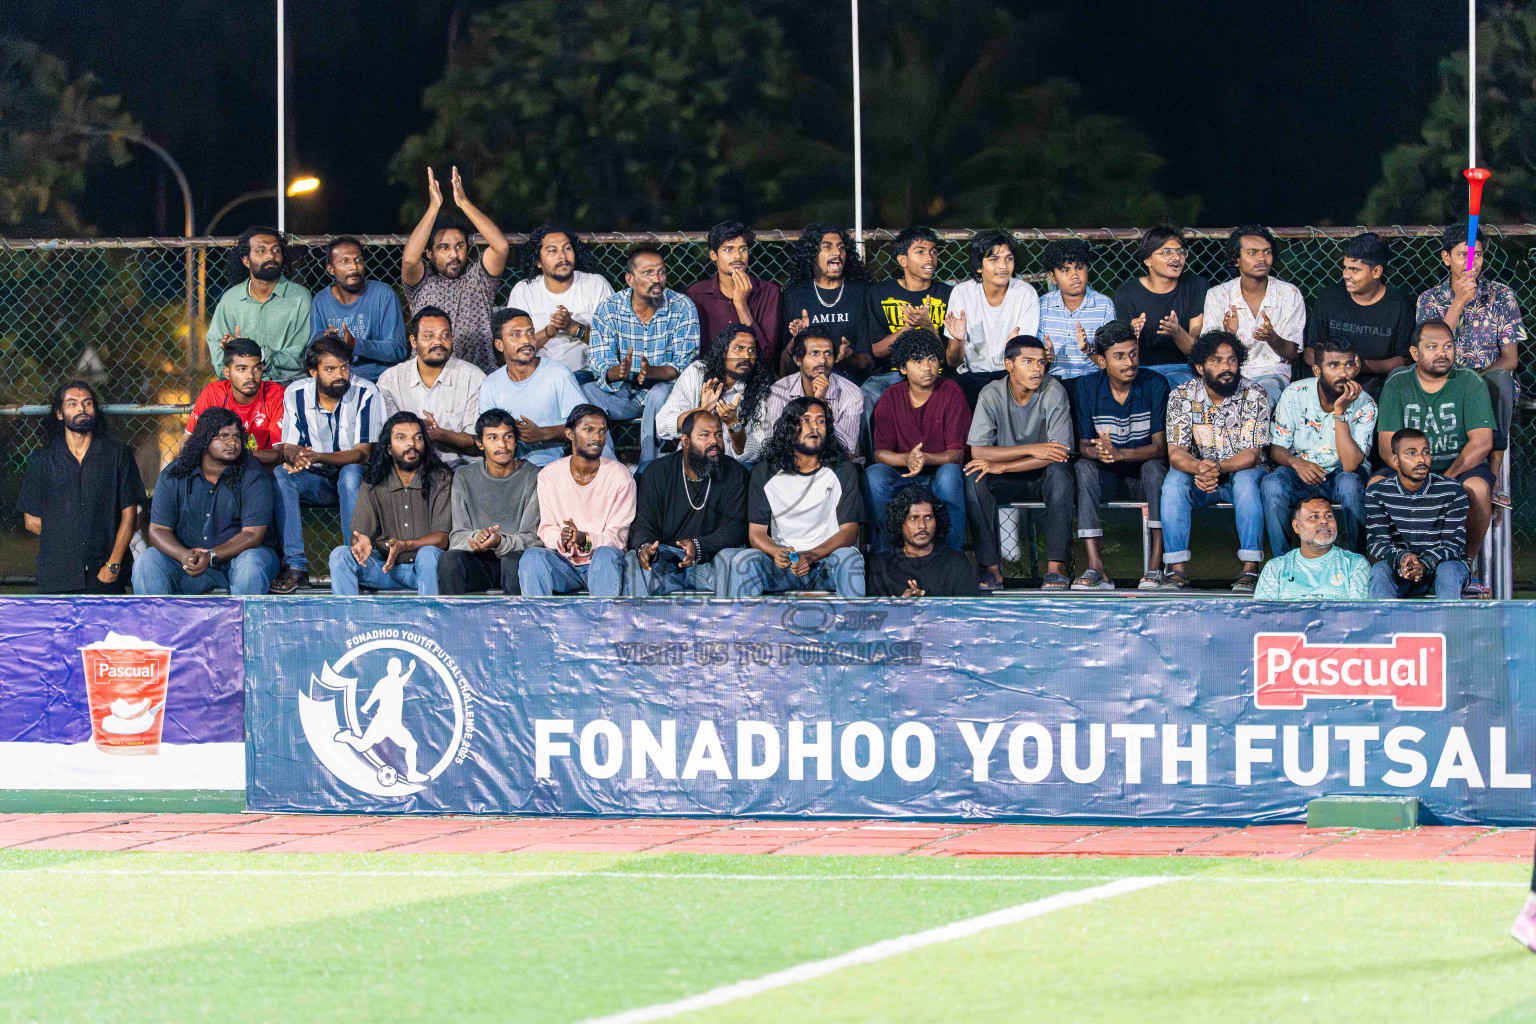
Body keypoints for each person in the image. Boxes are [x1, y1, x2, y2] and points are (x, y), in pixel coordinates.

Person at [1375, 319, 1495, 591]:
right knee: (1375, 486)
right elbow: (1386, 446)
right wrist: (1413, 478)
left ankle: (1466, 562)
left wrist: (1445, 479)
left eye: (1448, 346)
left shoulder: (1470, 382)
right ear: (1415, 353)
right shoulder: (1398, 383)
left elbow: (1482, 442)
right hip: (1408, 467)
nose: (1443, 353)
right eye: (1432, 347)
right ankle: (1390, 564)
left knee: (1475, 488)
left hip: (1458, 466)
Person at [269, 332, 385, 595]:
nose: (340, 375)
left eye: (344, 367)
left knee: (351, 473)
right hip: (315, 477)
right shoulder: (295, 393)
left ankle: (355, 561)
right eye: (330, 369)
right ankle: (296, 568)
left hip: (357, 480)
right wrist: (296, 457)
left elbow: (363, 453)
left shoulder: (366, 392)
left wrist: (317, 456)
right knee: (281, 474)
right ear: (313, 372)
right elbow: (287, 445)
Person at [1160, 330, 1270, 592]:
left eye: (1232, 360)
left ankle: (1250, 569)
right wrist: (1200, 468)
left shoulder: (1254, 394)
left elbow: (1252, 455)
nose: (1226, 367)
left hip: (1243, 473)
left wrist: (1217, 468)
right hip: (1201, 477)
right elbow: (1176, 453)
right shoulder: (1181, 395)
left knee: (1245, 481)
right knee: (1174, 481)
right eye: (1216, 361)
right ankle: (1176, 571)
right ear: (1200, 367)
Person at [963, 335, 1075, 592]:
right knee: (974, 476)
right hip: (1010, 476)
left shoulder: (1054, 391)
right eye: (1028, 362)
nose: (1037, 368)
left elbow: (1059, 453)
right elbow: (978, 450)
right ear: (1009, 365)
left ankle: (1055, 570)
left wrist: (1004, 465)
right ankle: (991, 570)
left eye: (1041, 362)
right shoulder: (991, 394)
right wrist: (1032, 449)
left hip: (1042, 474)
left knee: (1060, 473)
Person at [1416, 223, 1523, 491]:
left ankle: (1494, 477)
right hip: (1445, 381)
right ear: (1446, 257)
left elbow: (1510, 359)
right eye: (1464, 254)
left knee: (1502, 380)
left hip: (1487, 382)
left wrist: (1475, 382)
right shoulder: (1428, 300)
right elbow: (1429, 348)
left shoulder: (1502, 296)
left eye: (1478, 255)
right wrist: (1459, 302)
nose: (1472, 263)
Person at [134, 408, 279, 595]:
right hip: (186, 563)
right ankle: (157, 624)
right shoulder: (173, 474)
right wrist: (184, 555)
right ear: (204, 439)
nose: (232, 443)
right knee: (148, 560)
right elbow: (158, 530)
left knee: (250, 564)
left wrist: (210, 555)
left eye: (236, 436)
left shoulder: (253, 475)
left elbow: (252, 535)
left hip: (238, 561)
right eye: (223, 436)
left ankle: (245, 623)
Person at [730, 396, 864, 597]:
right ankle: (744, 627)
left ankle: (854, 625)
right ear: (790, 427)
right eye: (806, 420)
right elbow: (756, 533)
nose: (815, 427)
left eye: (820, 421)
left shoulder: (843, 471)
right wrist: (777, 552)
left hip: (825, 564)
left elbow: (850, 531)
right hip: (784, 567)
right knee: (744, 560)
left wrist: (812, 555)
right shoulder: (764, 473)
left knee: (850, 558)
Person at [17, 381, 143, 594]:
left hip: (105, 571)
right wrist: (68, 543)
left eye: (87, 403)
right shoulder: (42, 460)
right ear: (59, 413)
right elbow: (31, 521)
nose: (81, 409)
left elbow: (130, 516)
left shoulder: (118, 455)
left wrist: (113, 564)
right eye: (72, 404)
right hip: (57, 573)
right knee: (58, 628)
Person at [1071, 321, 1170, 590]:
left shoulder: (1155, 384)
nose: (1130, 362)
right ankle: (1096, 569)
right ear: (1102, 362)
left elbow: (1161, 448)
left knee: (1155, 468)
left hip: (1143, 475)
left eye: (1133, 353)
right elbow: (1081, 445)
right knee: (1083, 467)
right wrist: (1098, 451)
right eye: (1119, 356)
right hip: (1108, 478)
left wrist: (1119, 453)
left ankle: (1156, 566)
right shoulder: (1087, 387)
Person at [584, 245, 700, 468]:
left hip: (665, 391)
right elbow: (599, 359)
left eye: (661, 272)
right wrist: (616, 372)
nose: (657, 279)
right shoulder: (609, 309)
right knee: (586, 393)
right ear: (630, 279)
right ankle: (607, 466)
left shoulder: (682, 307)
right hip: (625, 390)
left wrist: (651, 372)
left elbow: (685, 364)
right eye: (648, 273)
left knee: (657, 393)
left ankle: (648, 469)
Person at [1262, 336, 1375, 557]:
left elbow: (1351, 465)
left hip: (1340, 472)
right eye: (1333, 365)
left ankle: (1357, 559)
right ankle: (1283, 562)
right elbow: (1277, 449)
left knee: (1351, 484)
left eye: (1349, 365)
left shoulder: (1365, 403)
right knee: (1272, 485)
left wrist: (1340, 412)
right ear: (1317, 370)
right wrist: (1297, 463)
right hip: (1300, 470)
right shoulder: (1295, 393)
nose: (1343, 373)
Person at [867, 329, 970, 553]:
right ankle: (883, 556)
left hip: (938, 473)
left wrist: (926, 458)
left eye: (932, 359)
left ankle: (951, 556)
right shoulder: (891, 396)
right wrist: (907, 458)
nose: (927, 367)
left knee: (951, 474)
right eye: (918, 361)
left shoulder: (951, 391)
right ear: (903, 368)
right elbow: (880, 453)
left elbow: (957, 454)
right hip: (903, 473)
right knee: (874, 475)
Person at [400, 166, 510, 373]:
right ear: (430, 254)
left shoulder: (479, 279)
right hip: (429, 371)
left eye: (460, 246)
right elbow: (409, 260)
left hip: (478, 371)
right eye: (444, 247)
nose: (453, 254)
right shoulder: (422, 283)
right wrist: (434, 207)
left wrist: (464, 203)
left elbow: (501, 246)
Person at [328, 411, 452, 596]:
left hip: (424, 572)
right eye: (401, 438)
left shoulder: (440, 478)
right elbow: (359, 535)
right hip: (386, 569)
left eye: (418, 438)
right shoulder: (374, 481)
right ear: (388, 448)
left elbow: (442, 539)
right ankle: (349, 622)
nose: (411, 444)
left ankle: (429, 620)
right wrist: (359, 541)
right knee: (340, 555)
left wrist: (405, 545)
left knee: (428, 555)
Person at [627, 409, 749, 597]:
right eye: (704, 435)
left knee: (732, 560)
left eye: (718, 434)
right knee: (634, 561)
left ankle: (727, 624)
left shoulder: (735, 474)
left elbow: (735, 530)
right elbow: (643, 521)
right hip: (666, 561)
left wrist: (698, 546)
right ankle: (638, 624)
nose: (714, 441)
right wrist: (645, 547)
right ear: (685, 441)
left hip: (711, 563)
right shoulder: (657, 473)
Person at [519, 406, 635, 596]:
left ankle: (603, 621)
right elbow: (546, 529)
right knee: (532, 557)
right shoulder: (548, 475)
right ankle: (538, 622)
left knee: (605, 555)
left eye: (602, 431)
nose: (597, 438)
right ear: (570, 434)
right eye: (589, 430)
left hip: (604, 565)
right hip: (564, 564)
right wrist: (562, 537)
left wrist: (584, 538)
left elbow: (618, 538)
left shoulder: (620, 476)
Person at [479, 306, 603, 467]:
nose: (526, 340)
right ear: (499, 345)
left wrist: (542, 434)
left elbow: (585, 426)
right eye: (516, 335)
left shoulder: (557, 373)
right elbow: (488, 435)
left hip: (558, 466)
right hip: (513, 470)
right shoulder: (491, 384)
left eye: (530, 332)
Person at [438, 410, 543, 596]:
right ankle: (453, 623)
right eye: (493, 438)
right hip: (479, 562)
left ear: (516, 440)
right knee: (450, 560)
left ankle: (516, 623)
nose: (502, 444)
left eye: (508, 437)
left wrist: (500, 541)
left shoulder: (533, 476)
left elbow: (532, 538)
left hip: (515, 560)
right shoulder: (463, 477)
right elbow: (457, 537)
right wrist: (478, 537)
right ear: (480, 443)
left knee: (513, 562)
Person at [1201, 224, 1306, 409]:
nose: (1261, 258)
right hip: (1228, 374)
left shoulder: (1289, 294)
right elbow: (1209, 353)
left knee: (1258, 398)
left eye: (1267, 252)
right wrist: (1229, 335)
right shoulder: (1218, 295)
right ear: (1236, 260)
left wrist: (1272, 337)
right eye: (1252, 253)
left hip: (1271, 375)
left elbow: (1291, 354)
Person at [861, 227, 952, 430]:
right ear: (903, 260)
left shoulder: (947, 294)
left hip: (935, 372)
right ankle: (866, 459)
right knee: (866, 395)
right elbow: (877, 350)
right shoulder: (879, 293)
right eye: (920, 252)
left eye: (933, 252)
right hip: (891, 374)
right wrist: (907, 329)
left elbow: (947, 357)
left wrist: (928, 326)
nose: (929, 258)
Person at [1305, 232, 1415, 400]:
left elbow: (1404, 361)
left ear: (1376, 271)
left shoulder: (1399, 303)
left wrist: (1359, 366)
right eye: (1345, 267)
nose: (1346, 275)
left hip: (1383, 386)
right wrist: (1336, 370)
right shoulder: (1330, 299)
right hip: (1332, 383)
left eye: (1354, 270)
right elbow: (1310, 352)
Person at [1365, 428, 1469, 599]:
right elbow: (1377, 543)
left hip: (1441, 568)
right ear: (1395, 460)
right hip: (1400, 569)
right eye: (1411, 453)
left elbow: (1454, 544)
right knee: (1380, 571)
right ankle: (1383, 625)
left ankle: (1449, 625)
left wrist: (1425, 563)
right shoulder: (1378, 492)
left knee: (1448, 571)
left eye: (1425, 452)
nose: (1421, 459)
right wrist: (1403, 558)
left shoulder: (1451, 490)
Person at [377, 306, 486, 468]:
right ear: (413, 341)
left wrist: (440, 434)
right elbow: (386, 437)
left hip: (459, 465)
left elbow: (477, 442)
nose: (438, 342)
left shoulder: (473, 378)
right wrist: (416, 428)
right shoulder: (390, 380)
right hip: (407, 466)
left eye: (445, 335)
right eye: (429, 336)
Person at [943, 229, 1039, 406]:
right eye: (994, 259)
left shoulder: (1025, 294)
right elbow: (952, 361)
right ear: (979, 266)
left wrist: (1014, 348)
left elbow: (1026, 354)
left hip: (1010, 374)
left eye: (1008, 258)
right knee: (950, 390)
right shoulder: (962, 293)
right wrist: (958, 339)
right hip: (972, 375)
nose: (1003, 266)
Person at [505, 224, 614, 378]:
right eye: (552, 250)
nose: (562, 256)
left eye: (567, 248)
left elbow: (614, 342)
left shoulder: (595, 285)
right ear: (538, 261)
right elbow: (513, 349)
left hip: (589, 376)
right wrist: (549, 332)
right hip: (539, 376)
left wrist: (574, 327)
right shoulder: (524, 291)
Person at [657, 324, 774, 466]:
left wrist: (733, 425)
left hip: (730, 467)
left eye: (752, 350)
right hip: (692, 461)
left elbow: (755, 453)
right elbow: (663, 425)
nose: (746, 356)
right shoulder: (698, 372)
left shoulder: (759, 387)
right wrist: (703, 411)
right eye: (739, 349)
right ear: (723, 352)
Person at [206, 226, 312, 382]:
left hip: (287, 386)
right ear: (246, 260)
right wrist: (231, 353)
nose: (271, 255)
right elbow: (220, 361)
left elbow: (304, 355)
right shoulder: (231, 300)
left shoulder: (300, 297)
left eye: (276, 250)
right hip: (243, 386)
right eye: (261, 251)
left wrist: (258, 355)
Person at [1112, 226, 1207, 387]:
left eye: (1180, 252)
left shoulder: (1196, 286)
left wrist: (1177, 332)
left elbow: (1197, 352)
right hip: (1142, 368)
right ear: (1148, 260)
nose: (1176, 257)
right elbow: (1124, 354)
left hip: (1185, 369)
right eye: (1167, 252)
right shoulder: (1127, 292)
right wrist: (1132, 334)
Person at [308, 235, 408, 382]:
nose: (354, 267)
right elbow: (311, 351)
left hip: (379, 380)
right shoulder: (321, 300)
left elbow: (397, 350)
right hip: (337, 379)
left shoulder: (383, 294)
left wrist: (356, 344)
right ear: (330, 269)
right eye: (344, 261)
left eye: (358, 260)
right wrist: (324, 339)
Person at [780, 223, 870, 381]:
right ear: (812, 254)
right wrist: (797, 340)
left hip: (850, 381)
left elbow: (869, 364)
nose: (837, 252)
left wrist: (849, 356)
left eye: (841, 247)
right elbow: (783, 370)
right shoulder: (793, 295)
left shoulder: (861, 293)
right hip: (806, 382)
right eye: (827, 247)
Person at [685, 221, 782, 362]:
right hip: (711, 374)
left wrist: (741, 305)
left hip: (752, 374)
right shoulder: (698, 294)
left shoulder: (768, 292)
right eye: (729, 250)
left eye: (743, 249)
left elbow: (766, 356)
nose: (738, 256)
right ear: (713, 255)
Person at [764, 327, 865, 457]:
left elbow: (848, 448)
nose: (822, 360)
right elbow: (773, 443)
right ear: (797, 359)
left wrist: (821, 404)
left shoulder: (851, 393)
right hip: (791, 462)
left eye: (828, 353)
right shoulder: (779, 391)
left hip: (833, 463)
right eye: (814, 353)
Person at [185, 338, 286, 468]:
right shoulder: (213, 394)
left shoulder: (275, 394)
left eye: (257, 368)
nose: (250, 376)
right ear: (227, 372)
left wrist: (236, 454)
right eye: (241, 369)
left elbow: (280, 454)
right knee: (170, 474)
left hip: (260, 471)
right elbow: (187, 443)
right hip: (219, 470)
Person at [867, 484, 980, 597]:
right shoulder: (880, 565)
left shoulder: (957, 563)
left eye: (928, 517)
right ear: (899, 522)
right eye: (913, 518)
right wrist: (900, 607)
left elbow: (968, 612)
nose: (922, 525)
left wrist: (926, 606)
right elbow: (872, 613)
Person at [1253, 495, 1371, 600]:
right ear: (1297, 526)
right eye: (1314, 516)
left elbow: (1358, 617)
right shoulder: (1275, 568)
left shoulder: (1354, 564)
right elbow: (1264, 617)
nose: (1324, 521)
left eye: (1329, 516)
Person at [1036, 238, 1116, 384]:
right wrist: (1048, 357)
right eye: (1065, 270)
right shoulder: (1042, 305)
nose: (1074, 275)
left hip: (1092, 379)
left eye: (1079, 267)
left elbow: (1109, 362)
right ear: (1053, 277)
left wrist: (1089, 350)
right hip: (1052, 380)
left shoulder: (1104, 305)